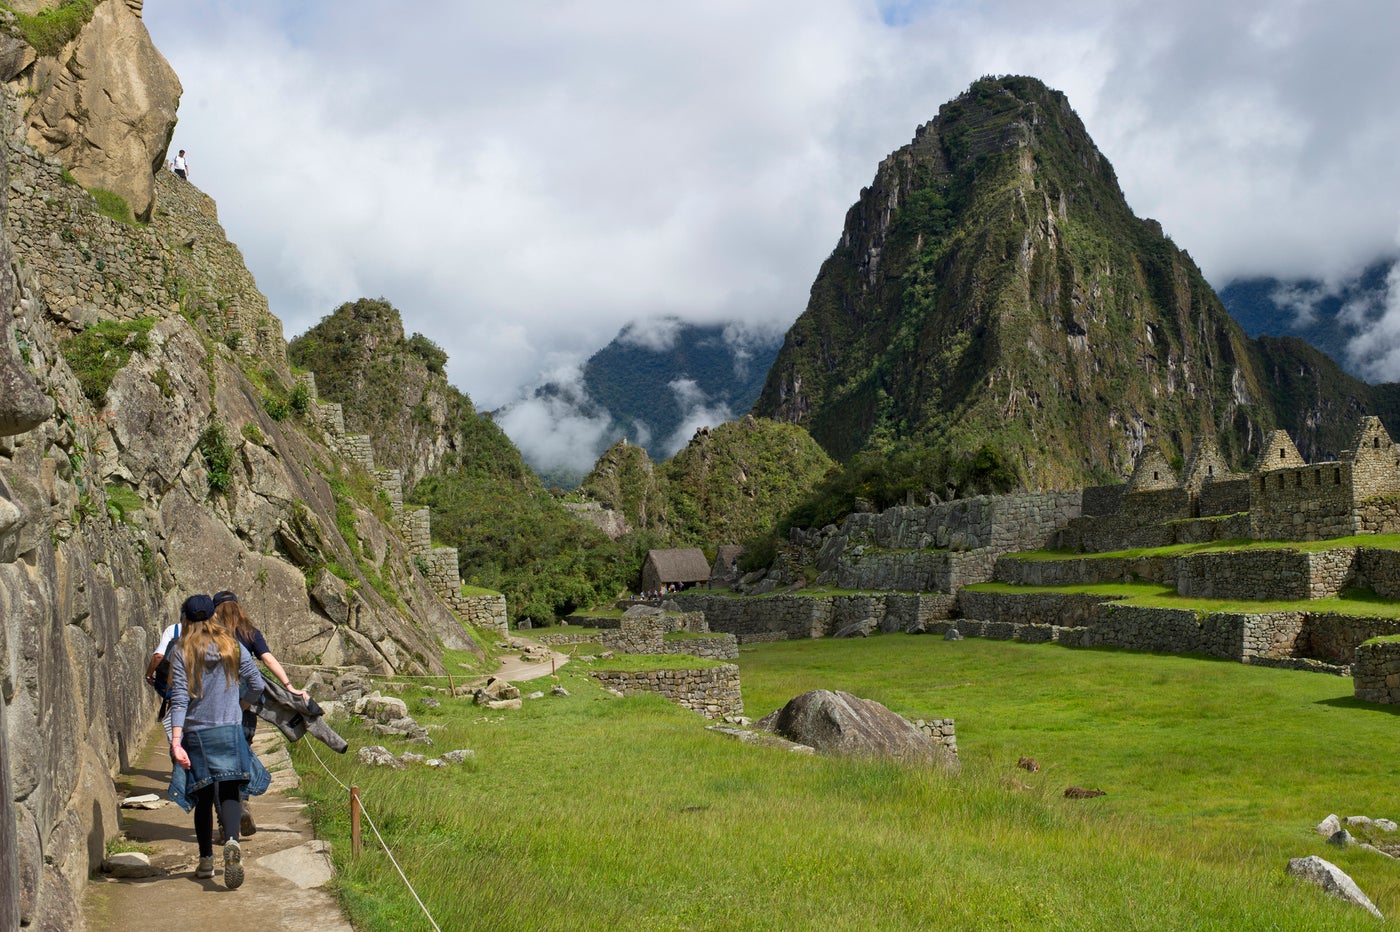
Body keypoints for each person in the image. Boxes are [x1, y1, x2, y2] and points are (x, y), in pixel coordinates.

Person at [168, 608, 269, 889]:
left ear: (186, 619)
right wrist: (240, 706)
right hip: (231, 730)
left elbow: (178, 700)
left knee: (202, 796)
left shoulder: (182, 651)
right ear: (213, 618)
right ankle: (233, 839)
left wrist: (176, 742)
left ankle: (206, 860)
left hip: (197, 734)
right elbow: (258, 685)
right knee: (229, 791)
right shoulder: (233, 647)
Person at [212, 590, 307, 837]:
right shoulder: (249, 632)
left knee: (217, 761)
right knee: (241, 749)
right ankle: (241, 801)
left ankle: (225, 823)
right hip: (246, 703)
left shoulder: (210, 635)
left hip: (215, 704)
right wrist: (289, 686)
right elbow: (268, 659)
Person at [145, 595, 214, 747]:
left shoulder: (173, 630)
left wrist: (149, 674)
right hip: (205, 693)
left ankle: (177, 750)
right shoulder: (218, 638)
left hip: (178, 686)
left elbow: (158, 656)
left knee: (177, 719)